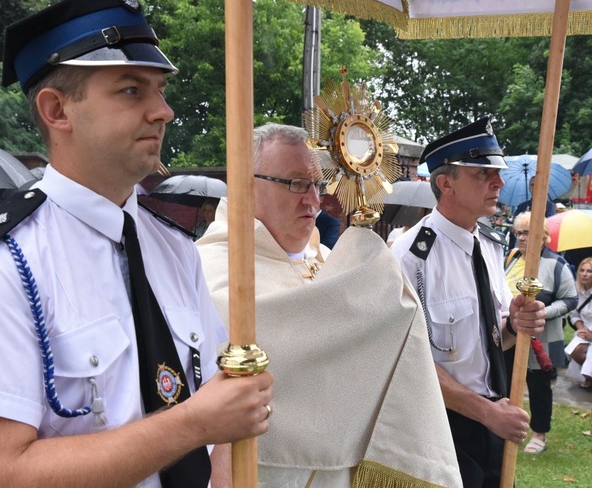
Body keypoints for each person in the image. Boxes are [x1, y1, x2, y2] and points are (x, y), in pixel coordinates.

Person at [0, 0, 273, 486]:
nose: (163, 111)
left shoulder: (175, 250)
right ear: (57, 110)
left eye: (160, 89)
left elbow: (218, 427)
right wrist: (193, 424)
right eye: (132, 90)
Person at [197, 123, 461, 488]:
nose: (313, 201)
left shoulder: (330, 259)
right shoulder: (209, 269)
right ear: (245, 182)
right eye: (295, 183)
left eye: (317, 185)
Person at [390, 117, 547, 487]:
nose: (499, 183)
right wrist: (486, 413)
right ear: (445, 183)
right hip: (442, 426)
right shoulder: (410, 257)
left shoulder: (490, 245)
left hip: (495, 415)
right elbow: (407, 362)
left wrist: (515, 324)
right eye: (482, 173)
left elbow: (495, 339)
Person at [504, 212, 578, 454]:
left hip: (541, 339)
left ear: (542, 237)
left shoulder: (556, 264)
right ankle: (506, 427)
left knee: (538, 388)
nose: (521, 238)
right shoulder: (512, 259)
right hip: (508, 336)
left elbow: (570, 300)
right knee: (504, 383)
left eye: (527, 233)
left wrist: (541, 312)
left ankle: (539, 434)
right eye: (518, 233)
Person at [564, 257, 592, 389]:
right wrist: (581, 329)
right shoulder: (577, 291)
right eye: (582, 270)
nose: (584, 274)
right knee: (574, 350)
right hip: (585, 330)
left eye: (589, 271)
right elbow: (573, 313)